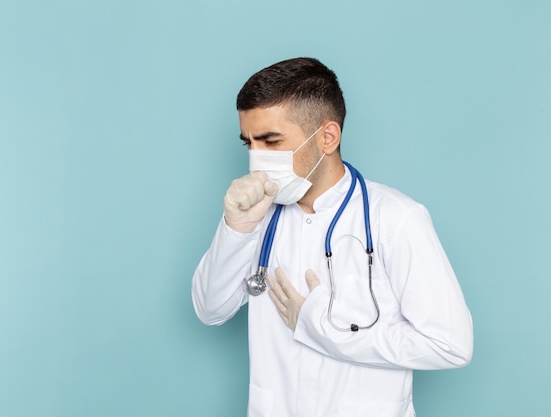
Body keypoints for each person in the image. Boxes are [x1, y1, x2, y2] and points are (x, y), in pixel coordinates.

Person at [191, 57, 473, 417]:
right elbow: (210, 309)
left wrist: (324, 329)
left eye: (271, 141)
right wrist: (236, 227)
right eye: (249, 144)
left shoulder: (396, 219)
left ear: (327, 137)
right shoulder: (257, 214)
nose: (257, 159)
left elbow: (450, 345)